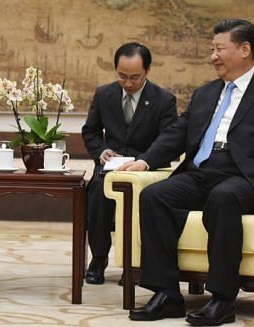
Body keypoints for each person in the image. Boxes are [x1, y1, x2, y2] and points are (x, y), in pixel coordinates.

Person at [118, 19, 254, 326]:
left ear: (245, 49)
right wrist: (145, 161)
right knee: (155, 196)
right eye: (211, 49)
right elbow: (178, 132)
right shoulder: (205, 93)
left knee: (223, 198)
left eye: (219, 49)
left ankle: (223, 299)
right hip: (202, 171)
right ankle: (167, 294)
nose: (212, 55)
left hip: (245, 177)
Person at [81, 42, 177, 285]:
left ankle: (134, 263)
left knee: (142, 201)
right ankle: (99, 258)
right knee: (96, 193)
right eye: (122, 76)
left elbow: (170, 141)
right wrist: (101, 151)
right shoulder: (104, 94)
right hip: (111, 166)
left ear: (147, 71)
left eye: (135, 77)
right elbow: (90, 131)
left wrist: (144, 160)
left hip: (144, 169)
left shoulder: (164, 100)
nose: (128, 83)